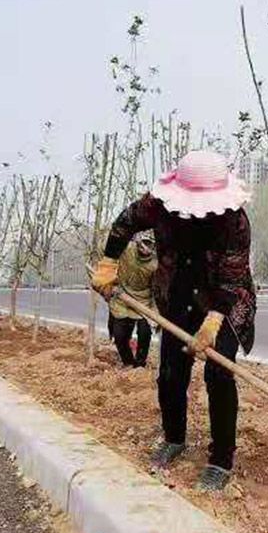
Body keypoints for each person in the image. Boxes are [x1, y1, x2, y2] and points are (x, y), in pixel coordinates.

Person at [91, 150, 256, 491]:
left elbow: (231, 279)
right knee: (170, 371)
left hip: (222, 299)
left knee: (219, 373)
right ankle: (174, 437)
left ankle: (221, 459)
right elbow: (124, 222)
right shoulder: (157, 205)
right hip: (178, 293)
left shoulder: (235, 221)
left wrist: (212, 324)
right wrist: (108, 263)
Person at [107, 231, 158, 368]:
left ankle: (140, 364)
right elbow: (106, 251)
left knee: (145, 333)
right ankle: (128, 362)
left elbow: (158, 289)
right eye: (144, 242)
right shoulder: (126, 248)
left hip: (144, 301)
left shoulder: (155, 264)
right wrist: (106, 275)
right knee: (119, 336)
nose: (145, 248)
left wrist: (156, 311)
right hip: (121, 297)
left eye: (150, 244)